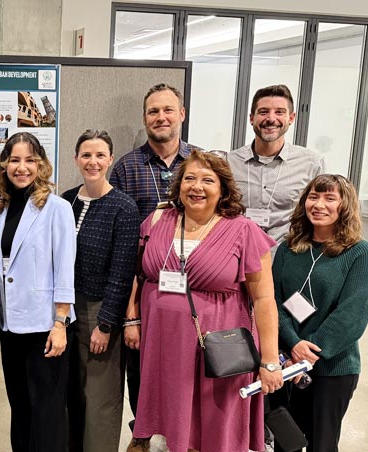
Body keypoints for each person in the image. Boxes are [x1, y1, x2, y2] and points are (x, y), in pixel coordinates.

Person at [129, 150, 283, 452]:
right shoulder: (158, 219)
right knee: (170, 428)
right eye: (189, 178)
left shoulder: (244, 230)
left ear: (223, 188)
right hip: (163, 346)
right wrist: (132, 319)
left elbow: (264, 299)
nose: (196, 187)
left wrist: (269, 360)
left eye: (207, 180)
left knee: (214, 428)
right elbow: (140, 274)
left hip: (218, 348)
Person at [109, 83, 203, 437]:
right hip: (147, 290)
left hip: (197, 290)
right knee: (144, 370)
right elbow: (124, 245)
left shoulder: (201, 163)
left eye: (167, 110)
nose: (160, 117)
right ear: (145, 119)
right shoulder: (126, 168)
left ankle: (186, 436)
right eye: (152, 112)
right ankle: (144, 432)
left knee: (190, 370)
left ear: (181, 114)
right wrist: (130, 312)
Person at [273, 174, 368, 452]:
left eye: (330, 198)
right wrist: (293, 344)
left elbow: (352, 315)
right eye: (313, 197)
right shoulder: (288, 248)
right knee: (285, 441)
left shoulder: (361, 254)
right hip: (285, 364)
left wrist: (307, 353)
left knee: (322, 445)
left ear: (345, 206)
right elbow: (273, 301)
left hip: (332, 369)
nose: (319, 204)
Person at [0, 132, 76, 452]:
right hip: (10, 325)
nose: (22, 167)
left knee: (47, 409)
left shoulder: (56, 208)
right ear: (4, 165)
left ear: (41, 165)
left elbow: (65, 269)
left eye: (30, 160)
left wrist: (60, 322)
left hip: (45, 325)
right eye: (14, 160)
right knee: (20, 406)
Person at [62, 129, 139, 452]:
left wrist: (106, 324)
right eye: (86, 155)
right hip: (65, 309)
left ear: (110, 159)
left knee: (100, 398)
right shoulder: (65, 200)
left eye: (99, 155)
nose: (92, 162)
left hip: (99, 309)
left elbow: (122, 273)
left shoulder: (123, 207)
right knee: (70, 393)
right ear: (76, 158)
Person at [228, 84, 325, 244]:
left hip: (288, 258)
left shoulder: (312, 163)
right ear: (252, 118)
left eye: (279, 112)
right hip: (238, 256)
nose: (271, 119)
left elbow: (324, 214)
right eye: (263, 112)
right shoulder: (230, 162)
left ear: (291, 118)